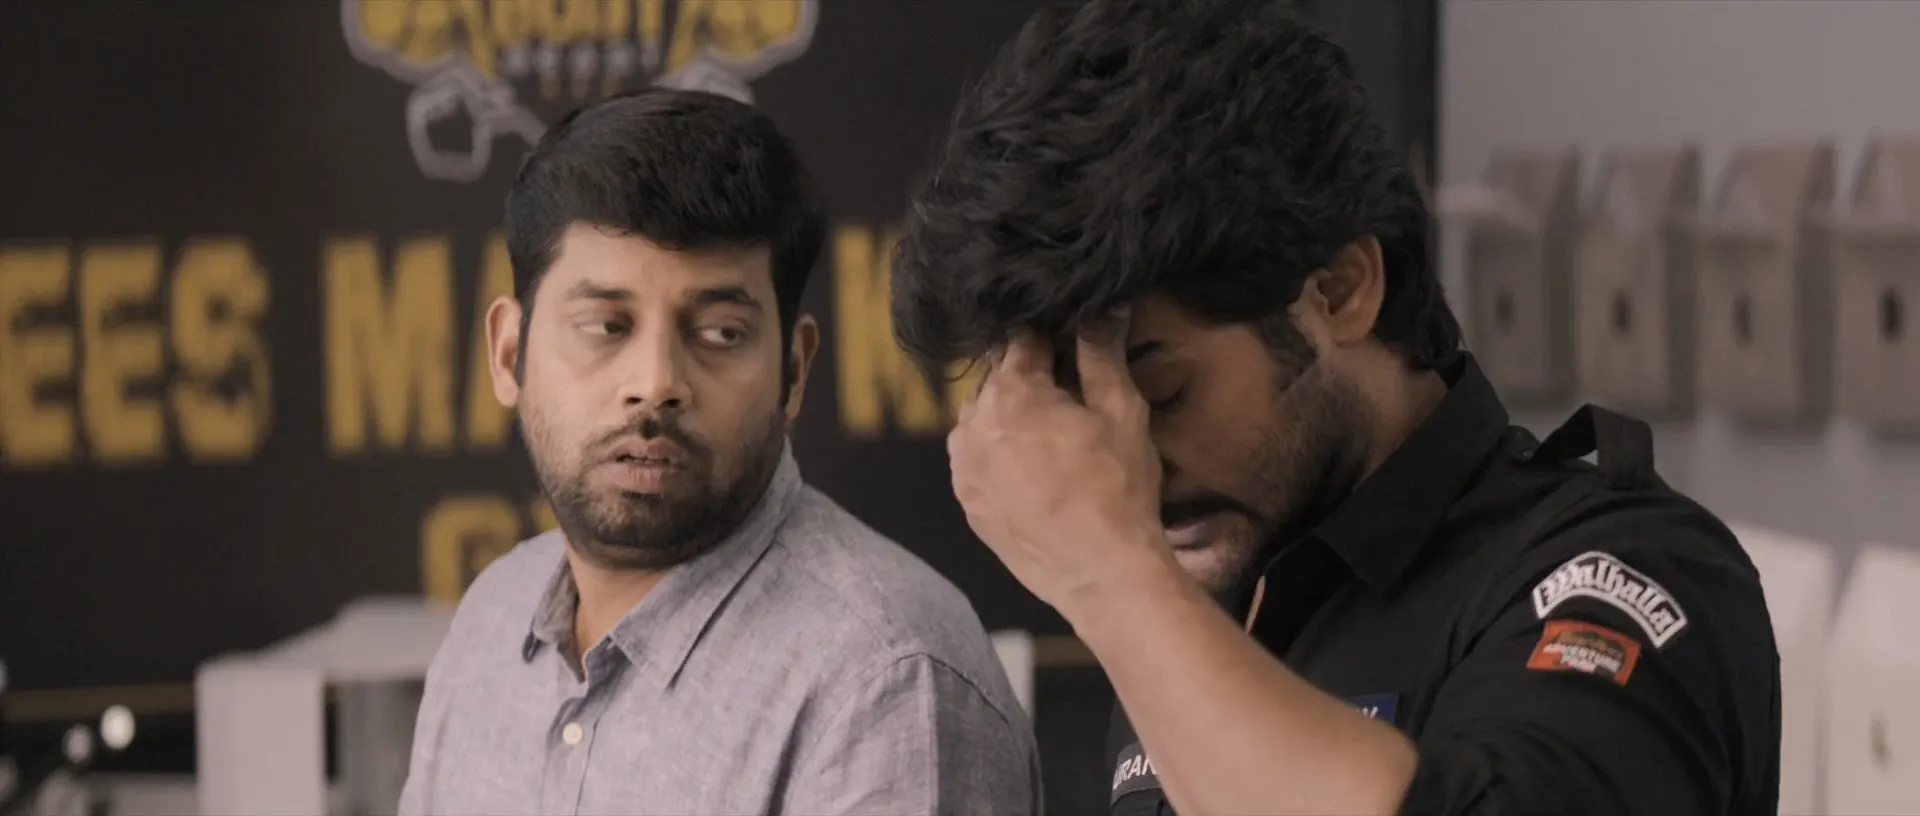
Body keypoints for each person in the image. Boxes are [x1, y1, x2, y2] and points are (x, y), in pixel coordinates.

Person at [891, 2, 1780, 815]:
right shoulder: (1200, 604)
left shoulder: (1623, 570)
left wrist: (1109, 574)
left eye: (1161, 392)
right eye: (1088, 416)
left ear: (1341, 290)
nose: (1126, 465)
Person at [399, 88, 1041, 816]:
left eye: (720, 334)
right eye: (606, 326)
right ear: (508, 353)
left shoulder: (886, 682)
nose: (655, 384)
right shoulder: (491, 621)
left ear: (794, 371)